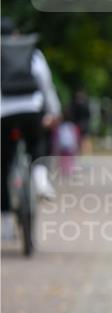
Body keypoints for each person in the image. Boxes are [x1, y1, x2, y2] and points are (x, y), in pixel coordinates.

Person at [1, 16, 61, 240]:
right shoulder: (30, 52)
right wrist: (53, 113)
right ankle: (40, 177)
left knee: (3, 165)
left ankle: (5, 223)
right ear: (15, 34)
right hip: (31, 109)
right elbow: (46, 84)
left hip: (3, 114)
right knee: (37, 141)